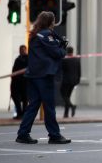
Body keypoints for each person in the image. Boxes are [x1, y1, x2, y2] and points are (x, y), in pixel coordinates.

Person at [16, 11, 71, 144]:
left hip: (33, 75)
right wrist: (63, 47)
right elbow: (57, 53)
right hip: (44, 75)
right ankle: (54, 135)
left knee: (33, 105)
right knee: (49, 106)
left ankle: (23, 133)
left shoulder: (35, 34)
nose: (54, 23)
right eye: (53, 21)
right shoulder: (46, 35)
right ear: (50, 22)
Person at [61, 46, 81, 118]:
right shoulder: (77, 59)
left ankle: (72, 106)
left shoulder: (65, 60)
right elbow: (79, 71)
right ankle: (66, 114)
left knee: (63, 94)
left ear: (67, 51)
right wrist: (78, 80)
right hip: (74, 81)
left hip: (66, 81)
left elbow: (61, 69)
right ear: (72, 51)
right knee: (68, 96)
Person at [10, 45, 28, 119]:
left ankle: (24, 114)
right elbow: (14, 70)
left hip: (26, 82)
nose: (22, 51)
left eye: (24, 50)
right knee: (16, 97)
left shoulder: (29, 59)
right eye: (21, 50)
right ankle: (19, 113)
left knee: (25, 99)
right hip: (16, 82)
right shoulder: (17, 59)